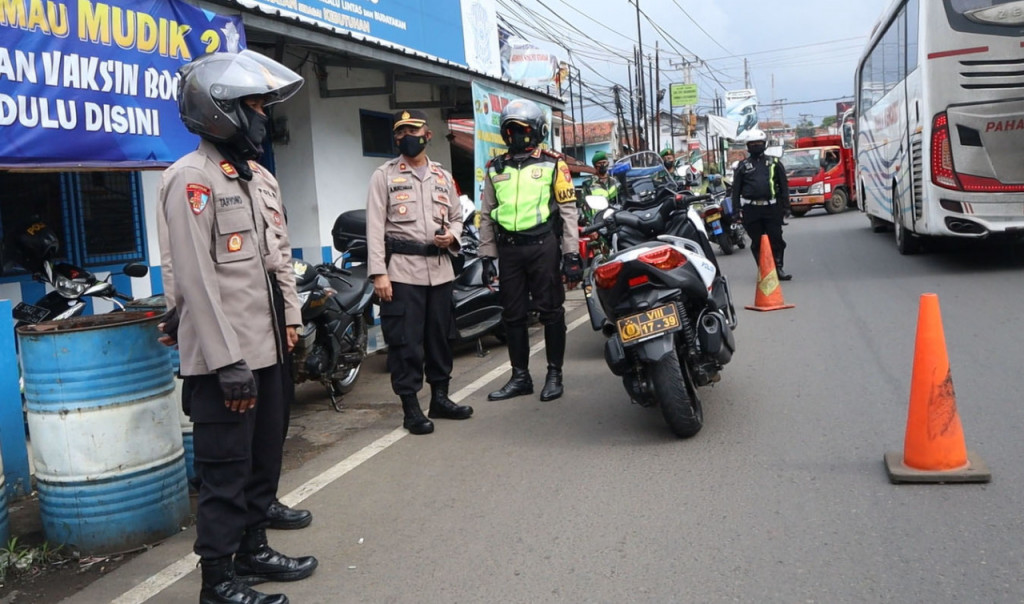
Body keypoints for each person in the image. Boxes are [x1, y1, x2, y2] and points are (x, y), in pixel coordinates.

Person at [156, 50, 317, 604]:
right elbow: (196, 282)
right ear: (220, 111)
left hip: (265, 348)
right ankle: (217, 582)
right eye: (253, 106)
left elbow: (271, 263)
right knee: (225, 472)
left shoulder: (249, 177)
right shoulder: (191, 180)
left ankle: (252, 549)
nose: (263, 117)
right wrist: (227, 363)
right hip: (227, 360)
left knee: (261, 461)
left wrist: (288, 327)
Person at [366, 109, 473, 436]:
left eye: (413, 130)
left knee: (440, 339)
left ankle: (440, 397)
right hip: (401, 273)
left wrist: (452, 237)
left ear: (427, 135)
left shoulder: (442, 176)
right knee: (406, 344)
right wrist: (379, 274)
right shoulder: (383, 176)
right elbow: (374, 227)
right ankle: (411, 408)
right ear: (396, 138)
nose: (407, 136)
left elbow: (458, 216)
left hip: (439, 271)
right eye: (401, 132)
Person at [478, 99, 581, 402]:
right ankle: (520, 376)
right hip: (509, 251)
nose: (516, 135)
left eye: (522, 129)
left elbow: (568, 210)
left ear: (537, 131)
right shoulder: (495, 167)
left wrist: (571, 253)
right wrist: (487, 257)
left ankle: (554, 374)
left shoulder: (553, 164)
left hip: (543, 247)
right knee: (513, 316)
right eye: (510, 130)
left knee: (550, 312)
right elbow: (486, 214)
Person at [731, 128, 792, 280]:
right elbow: (735, 191)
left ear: (764, 144)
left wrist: (786, 206)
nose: (756, 146)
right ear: (748, 146)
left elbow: (783, 185)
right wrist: (736, 211)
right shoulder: (742, 166)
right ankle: (764, 271)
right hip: (751, 209)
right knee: (757, 242)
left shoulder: (774, 162)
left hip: (772, 208)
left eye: (759, 143)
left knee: (776, 240)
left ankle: (778, 268)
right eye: (753, 143)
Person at [581, 150, 618, 222]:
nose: (602, 165)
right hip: (597, 222)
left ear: (608, 163)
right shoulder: (588, 184)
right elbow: (585, 206)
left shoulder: (615, 182)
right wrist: (590, 225)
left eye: (604, 162)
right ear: (594, 166)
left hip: (615, 220)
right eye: (599, 163)